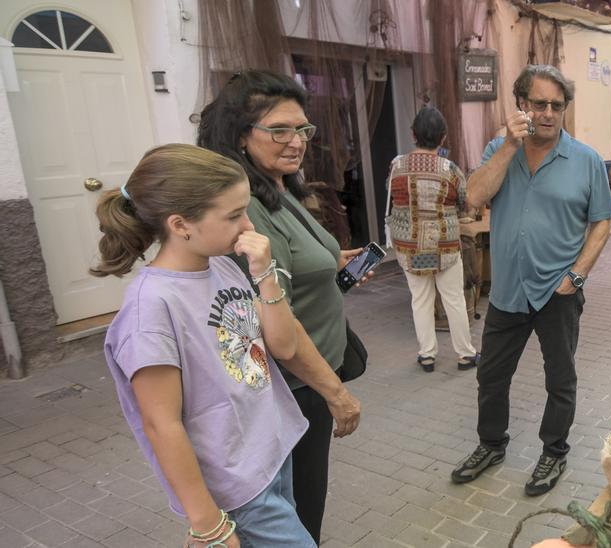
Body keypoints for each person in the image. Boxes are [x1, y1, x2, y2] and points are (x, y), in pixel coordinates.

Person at [94, 144, 319, 547]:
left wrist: (265, 275)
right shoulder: (151, 310)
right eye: (233, 215)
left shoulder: (220, 265)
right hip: (235, 485)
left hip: (270, 454)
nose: (248, 226)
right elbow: (161, 424)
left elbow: (282, 346)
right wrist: (207, 521)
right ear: (181, 225)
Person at [196, 69, 362, 543]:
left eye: (303, 129)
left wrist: (331, 264)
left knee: (302, 512)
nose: (297, 142)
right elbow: (276, 324)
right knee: (298, 520)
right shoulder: (249, 210)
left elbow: (293, 267)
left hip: (307, 383)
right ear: (241, 137)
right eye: (280, 130)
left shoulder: (277, 186)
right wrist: (336, 393)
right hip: (295, 389)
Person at [452, 64, 611, 496]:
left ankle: (554, 452)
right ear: (521, 104)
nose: (547, 113)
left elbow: (602, 224)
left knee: (560, 380)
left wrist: (576, 277)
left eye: (556, 106)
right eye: (539, 103)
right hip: (509, 290)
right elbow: (474, 196)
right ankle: (491, 445)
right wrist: (509, 145)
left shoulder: (584, 160)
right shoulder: (499, 148)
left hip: (558, 293)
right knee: (490, 376)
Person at [385, 106, 480, 372]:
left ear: (413, 135)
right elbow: (464, 204)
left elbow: (391, 195)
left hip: (409, 247)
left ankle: (427, 354)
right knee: (454, 300)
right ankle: (465, 354)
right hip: (445, 248)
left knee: (420, 300)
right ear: (443, 138)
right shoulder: (450, 169)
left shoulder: (397, 165)